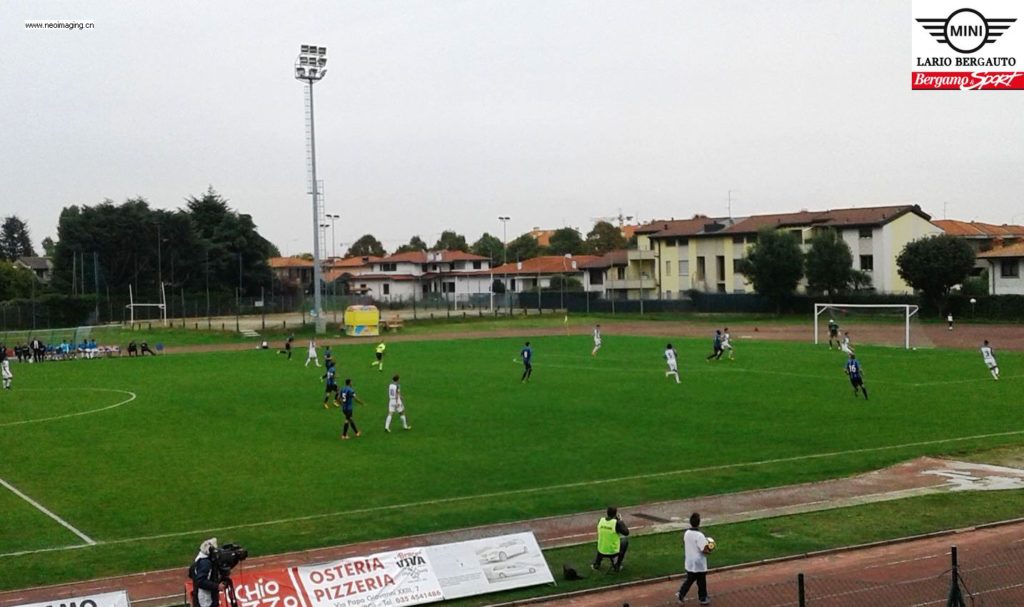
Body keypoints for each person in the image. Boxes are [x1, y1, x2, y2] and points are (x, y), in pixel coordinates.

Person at [676, 512, 712, 605]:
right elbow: (704, 550)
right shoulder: (700, 535)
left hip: (689, 561)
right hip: (698, 563)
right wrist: (710, 550)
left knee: (690, 579)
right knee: (701, 581)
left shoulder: (687, 533)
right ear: (699, 523)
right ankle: (702, 598)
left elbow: (685, 543)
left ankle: (681, 594)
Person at [189, 538, 225, 607]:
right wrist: (217, 586)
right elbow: (201, 581)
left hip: (199, 598)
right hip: (205, 600)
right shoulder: (205, 563)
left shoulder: (199, 559)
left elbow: (191, 574)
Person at [592, 506, 629, 572]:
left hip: (601, 550)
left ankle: (597, 563)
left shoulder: (601, 520)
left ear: (607, 513)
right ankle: (617, 565)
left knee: (603, 541)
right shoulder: (617, 523)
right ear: (615, 513)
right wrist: (621, 521)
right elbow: (626, 532)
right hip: (613, 551)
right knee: (624, 540)